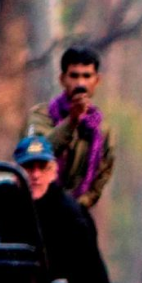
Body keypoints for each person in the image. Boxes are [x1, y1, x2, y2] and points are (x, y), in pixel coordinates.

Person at [11, 135, 115, 283]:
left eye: (42, 167)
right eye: (28, 168)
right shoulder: (8, 199)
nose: (36, 175)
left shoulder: (71, 214)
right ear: (17, 173)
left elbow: (88, 277)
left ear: (53, 171)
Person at [25, 45, 114, 210]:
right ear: (62, 79)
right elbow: (37, 153)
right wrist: (72, 121)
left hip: (74, 215)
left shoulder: (101, 130)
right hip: (35, 208)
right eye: (74, 76)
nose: (80, 83)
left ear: (97, 80)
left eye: (87, 76)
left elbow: (101, 177)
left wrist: (73, 208)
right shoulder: (41, 116)